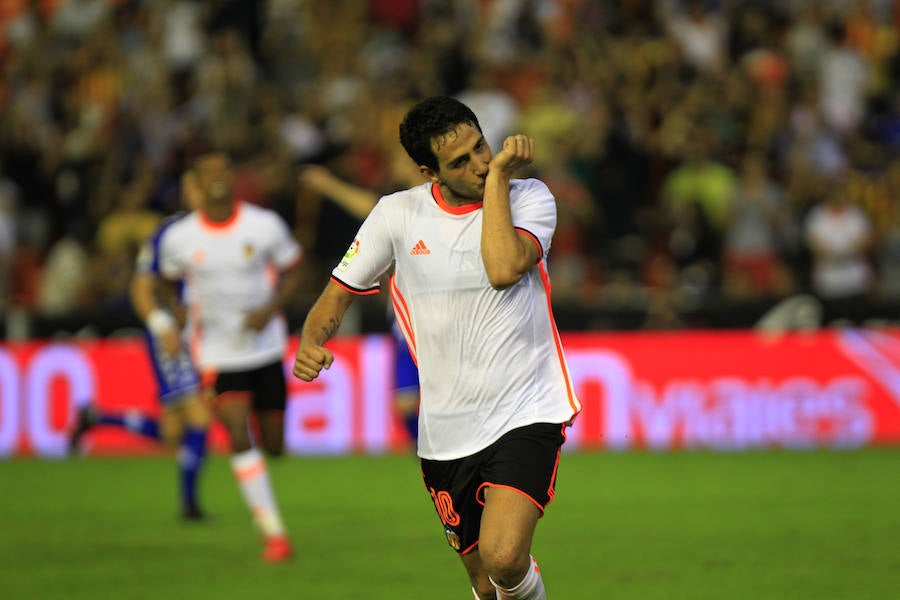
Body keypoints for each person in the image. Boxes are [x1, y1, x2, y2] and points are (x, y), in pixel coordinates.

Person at [293, 96, 581, 599]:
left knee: (505, 558)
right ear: (429, 172)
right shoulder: (397, 215)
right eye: (460, 162)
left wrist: (496, 183)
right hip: (446, 431)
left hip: (527, 410)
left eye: (481, 147)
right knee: (484, 584)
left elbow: (503, 267)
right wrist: (311, 339)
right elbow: (337, 292)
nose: (481, 164)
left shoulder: (530, 195)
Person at [158, 149, 303, 563]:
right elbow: (165, 283)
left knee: (273, 445)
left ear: (233, 177)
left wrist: (271, 309)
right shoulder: (179, 237)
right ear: (197, 184)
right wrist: (177, 309)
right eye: (208, 174)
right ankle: (274, 533)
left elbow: (294, 268)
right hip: (217, 355)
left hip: (266, 349)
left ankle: (267, 471)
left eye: (224, 171)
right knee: (238, 433)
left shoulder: (263, 225)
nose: (217, 179)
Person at [69, 169, 211, 521]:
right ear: (188, 191)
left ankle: (97, 418)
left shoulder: (226, 230)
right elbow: (142, 285)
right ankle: (189, 506)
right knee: (200, 417)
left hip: (205, 334)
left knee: (172, 432)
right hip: (173, 335)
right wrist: (162, 324)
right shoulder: (168, 233)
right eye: (196, 186)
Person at [298, 163, 420, 444]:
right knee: (404, 404)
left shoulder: (426, 214)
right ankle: (431, 459)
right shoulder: (396, 214)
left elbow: (369, 204)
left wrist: (327, 184)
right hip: (405, 328)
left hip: (446, 329)